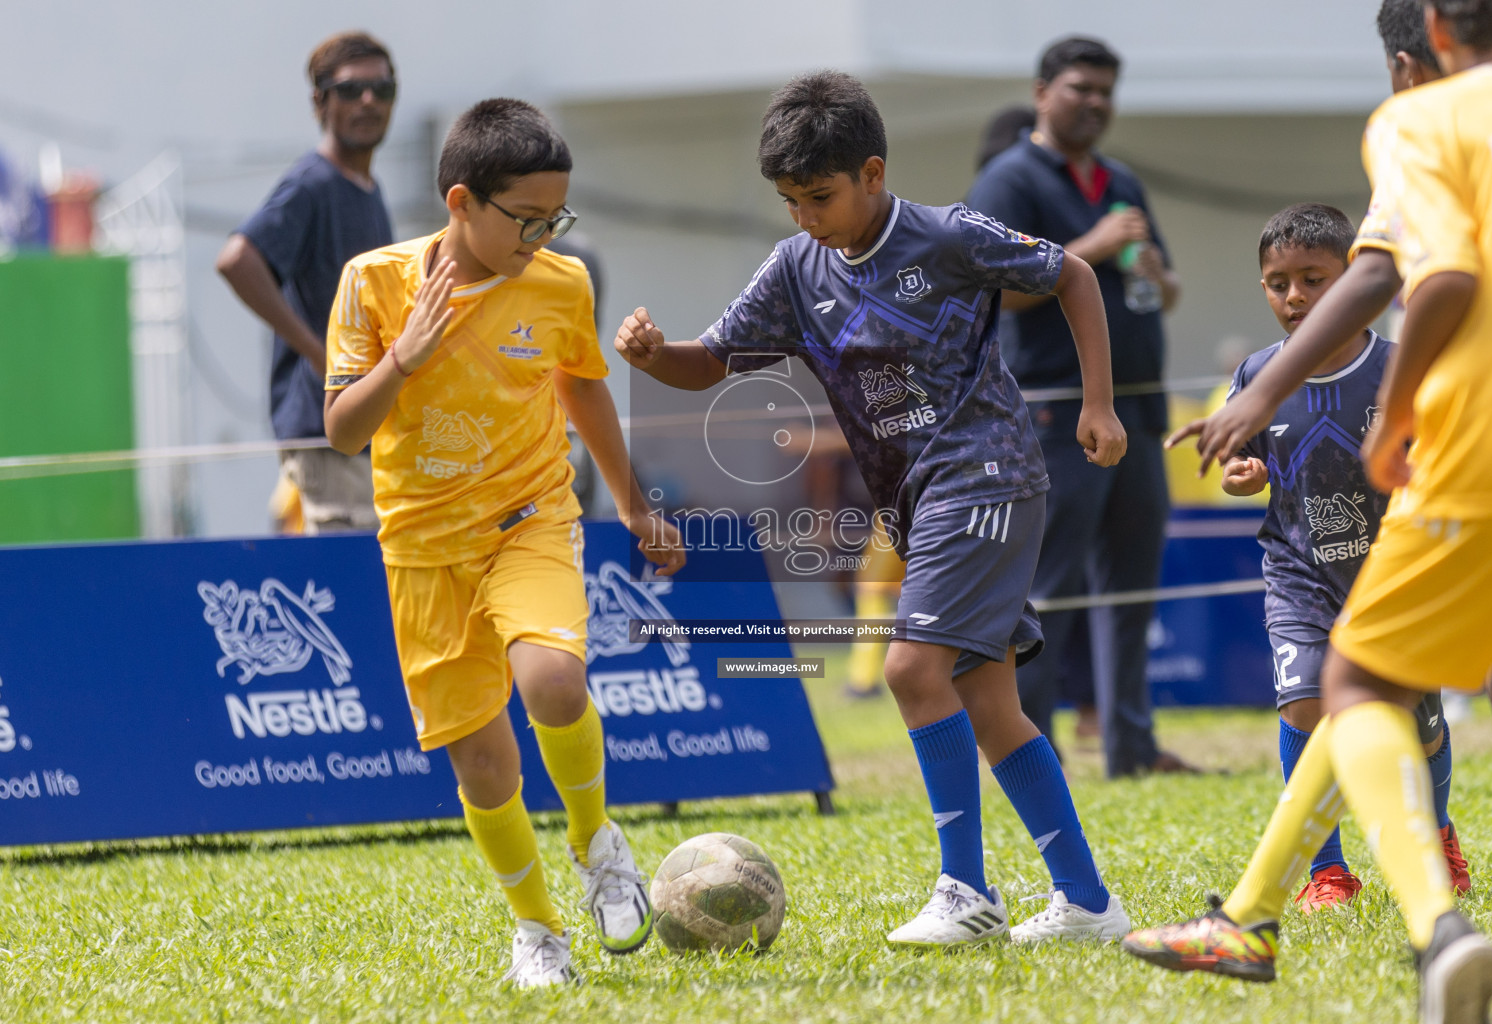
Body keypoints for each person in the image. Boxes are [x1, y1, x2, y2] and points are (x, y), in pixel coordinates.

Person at [615, 70, 1133, 948]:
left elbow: (1073, 273)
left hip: (988, 474)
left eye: (818, 196)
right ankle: (1086, 901)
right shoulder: (794, 267)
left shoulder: (945, 235)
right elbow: (712, 360)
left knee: (906, 669)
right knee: (990, 703)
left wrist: (1098, 405)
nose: (804, 216)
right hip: (917, 502)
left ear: (873, 173)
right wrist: (654, 351)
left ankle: (964, 891)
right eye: (788, 201)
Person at [1125, 2, 1492, 1015]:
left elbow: (1426, 277)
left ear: (1430, 39)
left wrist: (1350, 405)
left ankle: (1438, 932)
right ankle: (1248, 916)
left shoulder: (1424, 116)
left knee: (1354, 678)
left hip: (1488, 433)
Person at [322, 98, 685, 987]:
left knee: (553, 680)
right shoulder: (373, 283)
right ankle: (537, 930)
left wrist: (637, 505)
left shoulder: (561, 283)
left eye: (553, 218)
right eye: (525, 219)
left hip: (530, 516)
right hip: (420, 549)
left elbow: (583, 387)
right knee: (484, 764)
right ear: (460, 202)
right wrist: (400, 358)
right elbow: (339, 430)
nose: (540, 236)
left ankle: (596, 839)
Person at [1220, 202, 1467, 910]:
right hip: (1299, 576)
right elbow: (1244, 463)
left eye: (1311, 279)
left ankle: (1437, 832)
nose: (1293, 297)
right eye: (1276, 283)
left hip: (1395, 576)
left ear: (1353, 282)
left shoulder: (1398, 368)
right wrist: (1243, 474)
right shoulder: (1258, 374)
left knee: (1419, 726)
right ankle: (1326, 871)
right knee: (1302, 706)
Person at [965, 37, 1190, 777]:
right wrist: (1088, 247)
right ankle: (1036, 751)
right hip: (1056, 415)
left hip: (1137, 412)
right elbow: (992, 290)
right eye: (1078, 88)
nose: (1093, 102)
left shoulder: (1120, 179)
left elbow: (1166, 292)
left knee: (1130, 589)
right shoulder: (1009, 180)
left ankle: (1129, 746)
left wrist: (1157, 273)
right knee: (1049, 592)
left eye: (1104, 91)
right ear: (1040, 94)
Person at [217, 32, 398, 533]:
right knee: (347, 591)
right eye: (351, 89)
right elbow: (237, 259)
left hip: (360, 434)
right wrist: (321, 354)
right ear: (320, 100)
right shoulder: (312, 183)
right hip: (326, 436)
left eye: (382, 90)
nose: (369, 101)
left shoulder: (366, 188)